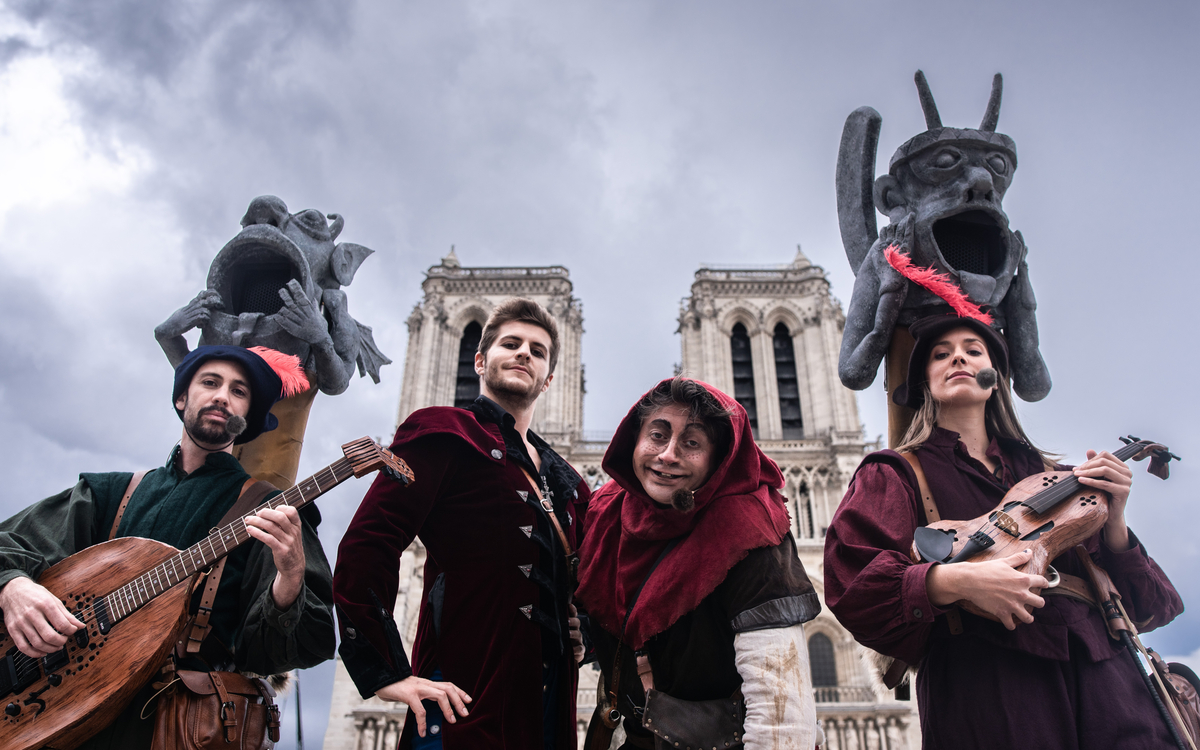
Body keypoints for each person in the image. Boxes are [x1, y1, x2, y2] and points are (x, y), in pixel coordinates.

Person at [823, 314, 1184, 749]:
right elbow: (854, 588)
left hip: (1108, 691)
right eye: (941, 354)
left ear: (994, 379)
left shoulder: (1055, 477)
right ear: (924, 384)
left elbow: (1152, 608)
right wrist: (955, 581)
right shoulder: (895, 474)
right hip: (990, 692)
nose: (958, 355)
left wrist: (1115, 518)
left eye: (974, 350)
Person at [0, 344, 336, 749]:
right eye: (210, 383)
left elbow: (300, 645)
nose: (221, 396)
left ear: (245, 420)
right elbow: (10, 543)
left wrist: (291, 577)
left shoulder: (271, 510)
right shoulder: (109, 493)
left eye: (238, 391)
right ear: (182, 398)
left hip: (173, 729)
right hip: (54, 717)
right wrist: (13, 586)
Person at [333, 297, 591, 750]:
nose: (524, 353)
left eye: (538, 349)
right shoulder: (445, 433)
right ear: (478, 360)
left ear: (549, 379)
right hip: (466, 704)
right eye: (510, 343)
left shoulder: (568, 482)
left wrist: (586, 629)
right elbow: (368, 543)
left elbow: (598, 576)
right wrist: (385, 672)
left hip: (548, 714)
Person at [575, 377, 819, 750]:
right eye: (657, 435)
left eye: (692, 443)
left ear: (718, 460)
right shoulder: (606, 516)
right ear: (633, 440)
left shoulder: (749, 532)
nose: (668, 454)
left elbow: (781, 709)